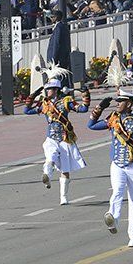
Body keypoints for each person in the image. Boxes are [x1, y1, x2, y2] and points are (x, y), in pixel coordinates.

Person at [88, 88, 133, 248]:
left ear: (128, 103)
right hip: (117, 164)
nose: (117, 104)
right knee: (117, 191)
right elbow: (91, 125)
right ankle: (113, 218)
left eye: (120, 102)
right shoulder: (113, 119)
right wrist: (100, 107)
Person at [24, 66, 89, 204]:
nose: (47, 91)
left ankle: (63, 197)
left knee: (65, 169)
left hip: (65, 138)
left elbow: (83, 109)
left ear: (56, 90)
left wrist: (86, 95)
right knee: (50, 157)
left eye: (50, 89)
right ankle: (47, 175)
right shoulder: (44, 104)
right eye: (47, 89)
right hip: (51, 138)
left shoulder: (66, 102)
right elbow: (27, 111)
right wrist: (33, 96)